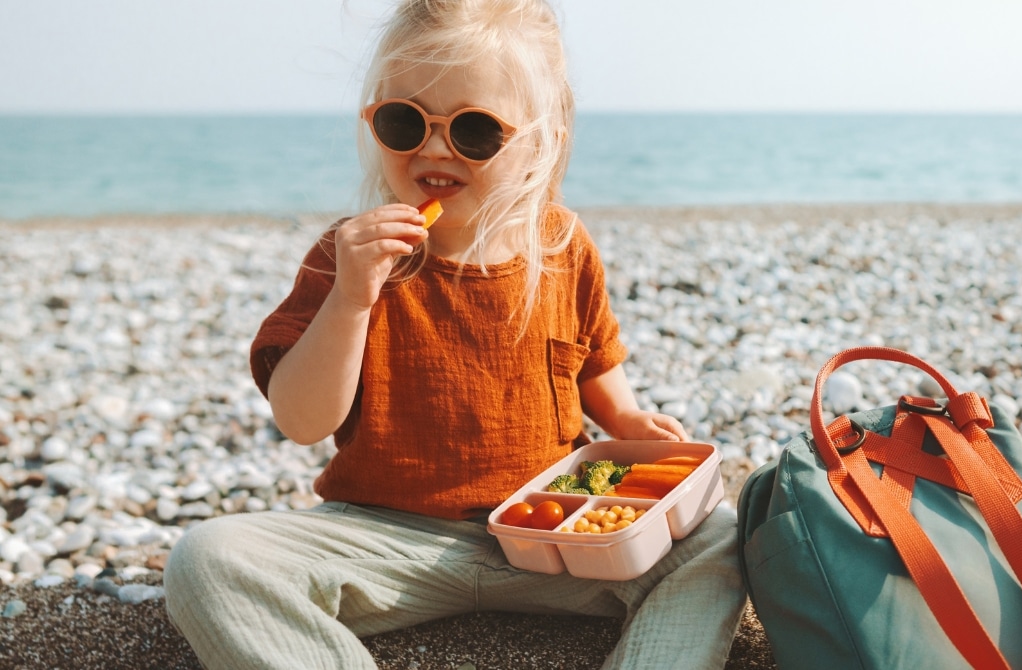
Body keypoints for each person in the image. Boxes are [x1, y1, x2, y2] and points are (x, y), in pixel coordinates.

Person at [162, 1, 746, 667]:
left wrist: (631, 421)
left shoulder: (561, 245)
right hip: (386, 536)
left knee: (718, 537)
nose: (433, 148)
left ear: (540, 137)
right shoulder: (347, 256)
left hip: (557, 525)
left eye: (473, 131)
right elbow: (301, 419)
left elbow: (594, 371)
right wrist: (353, 299)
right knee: (208, 560)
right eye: (403, 122)